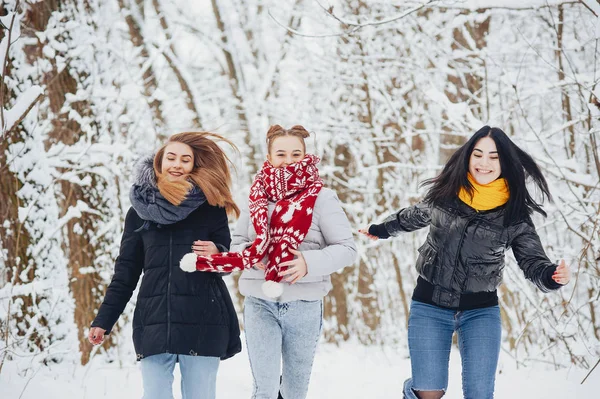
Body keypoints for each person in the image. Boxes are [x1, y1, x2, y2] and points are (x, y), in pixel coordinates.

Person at [359, 126, 571, 399]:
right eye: (478, 154)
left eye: (494, 157)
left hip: (480, 311)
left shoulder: (514, 215)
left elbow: (532, 261)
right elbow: (412, 217)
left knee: (480, 394)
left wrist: (550, 275)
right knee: (428, 392)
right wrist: (381, 229)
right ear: (468, 157)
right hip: (430, 305)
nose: (484, 163)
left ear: (505, 162)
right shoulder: (446, 194)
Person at [182, 125, 357, 399]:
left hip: (305, 304)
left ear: (306, 155)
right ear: (269, 156)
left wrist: (308, 263)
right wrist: (252, 254)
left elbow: (346, 249)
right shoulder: (256, 196)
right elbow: (237, 242)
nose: (289, 160)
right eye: (281, 153)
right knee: (264, 388)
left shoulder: (322, 198)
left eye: (296, 153)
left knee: (294, 390)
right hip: (259, 301)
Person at [88, 132, 242, 399]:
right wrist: (104, 320)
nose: (177, 164)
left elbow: (227, 264)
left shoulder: (211, 207)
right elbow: (125, 272)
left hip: (203, 318)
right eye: (171, 157)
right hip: (154, 321)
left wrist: (218, 253)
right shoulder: (138, 213)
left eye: (185, 159)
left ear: (194, 166)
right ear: (158, 163)